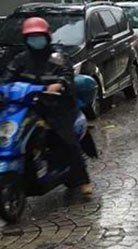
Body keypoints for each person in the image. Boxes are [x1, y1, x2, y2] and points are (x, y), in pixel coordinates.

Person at [2, 17, 93, 195]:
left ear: (47, 37)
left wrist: (59, 84)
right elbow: (7, 77)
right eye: (31, 37)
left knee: (66, 139)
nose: (35, 40)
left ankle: (82, 179)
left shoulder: (57, 58)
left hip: (56, 107)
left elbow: (67, 74)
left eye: (39, 36)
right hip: (28, 106)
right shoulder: (20, 59)